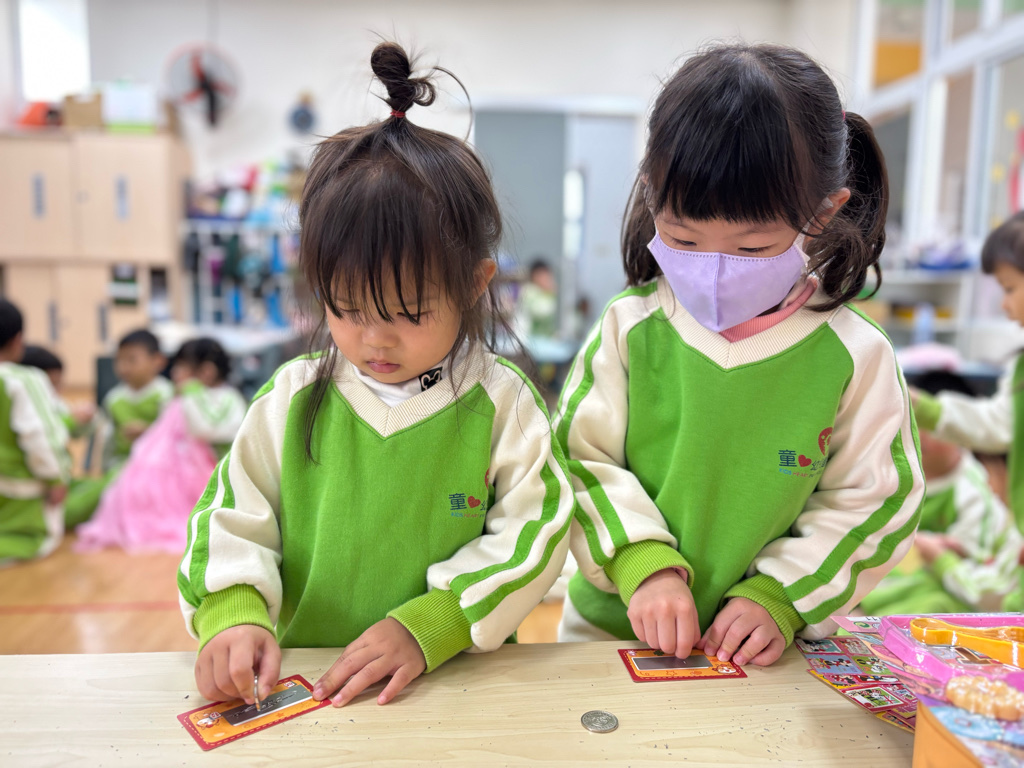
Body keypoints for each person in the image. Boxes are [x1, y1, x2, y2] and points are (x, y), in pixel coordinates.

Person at [178, 42, 575, 711]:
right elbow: (228, 515)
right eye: (347, 308)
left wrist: (432, 624)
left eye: (408, 312)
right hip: (312, 689)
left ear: (474, 284)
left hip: (457, 688)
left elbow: (536, 535)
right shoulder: (292, 398)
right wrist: (233, 611)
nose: (375, 338)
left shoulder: (503, 403)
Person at [555, 43, 924, 667]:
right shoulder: (629, 328)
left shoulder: (856, 356)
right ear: (650, 194)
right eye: (683, 238)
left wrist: (782, 595)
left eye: (752, 248)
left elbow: (875, 501)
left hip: (764, 654)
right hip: (609, 638)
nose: (715, 271)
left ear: (825, 212)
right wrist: (641, 562)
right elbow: (576, 458)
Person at [862, 371, 1022, 615]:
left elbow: (973, 560)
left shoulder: (971, 492)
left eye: (931, 427)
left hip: (947, 582)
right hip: (900, 575)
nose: (919, 435)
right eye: (913, 423)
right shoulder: (894, 472)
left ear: (961, 434)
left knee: (930, 602)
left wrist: (934, 548)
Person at [75, 337, 245, 553]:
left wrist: (191, 393)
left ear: (206, 371)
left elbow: (204, 428)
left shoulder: (226, 398)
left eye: (182, 367)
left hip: (218, 475)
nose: (175, 373)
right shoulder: (123, 398)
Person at [913, 211, 1024, 526]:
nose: (1004, 304)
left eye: (1009, 288)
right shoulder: (1020, 369)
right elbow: (998, 425)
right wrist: (922, 406)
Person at [63, 329, 173, 528]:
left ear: (157, 361)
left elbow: (175, 437)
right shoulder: (114, 399)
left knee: (94, 496)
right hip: (119, 465)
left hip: (157, 468)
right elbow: (105, 437)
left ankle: (63, 516)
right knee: (95, 485)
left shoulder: (166, 395)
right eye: (119, 360)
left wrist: (148, 432)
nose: (123, 367)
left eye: (132, 360)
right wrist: (86, 420)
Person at [0, 300, 71, 563]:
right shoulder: (23, 379)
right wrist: (56, 478)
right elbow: (40, 437)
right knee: (39, 539)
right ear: (18, 339)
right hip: (19, 494)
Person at [517, 259, 558, 338]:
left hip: (544, 339)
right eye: (543, 276)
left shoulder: (544, 293)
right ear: (534, 276)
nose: (547, 279)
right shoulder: (528, 291)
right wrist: (552, 293)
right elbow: (543, 311)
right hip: (529, 338)